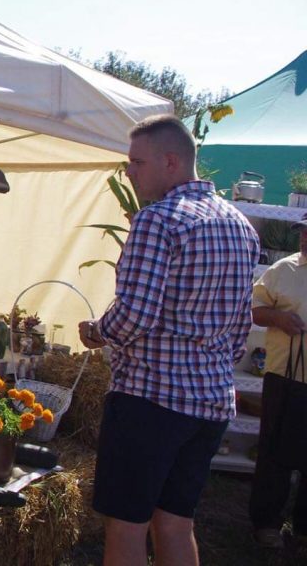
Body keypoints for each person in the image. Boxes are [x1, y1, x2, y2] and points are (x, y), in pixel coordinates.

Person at [77, 114, 260, 566]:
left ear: (171, 162)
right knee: (176, 523)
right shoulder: (240, 225)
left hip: (151, 400)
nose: (130, 173)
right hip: (211, 401)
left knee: (126, 526)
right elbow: (241, 325)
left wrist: (97, 332)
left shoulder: (157, 220)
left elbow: (134, 315)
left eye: (137, 162)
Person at [248, 213, 307, 549]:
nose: (305, 238)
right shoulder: (283, 269)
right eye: (304, 232)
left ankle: (303, 528)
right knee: (274, 452)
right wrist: (279, 318)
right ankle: (266, 522)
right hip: (285, 376)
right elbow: (253, 310)